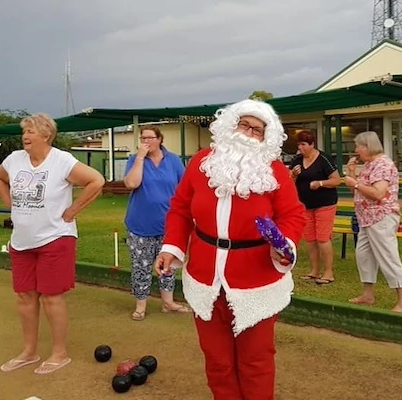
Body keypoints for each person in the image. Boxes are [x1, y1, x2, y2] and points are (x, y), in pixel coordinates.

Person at [153, 99, 306, 400]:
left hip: (256, 280)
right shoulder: (201, 163)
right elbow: (181, 209)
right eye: (243, 124)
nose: (248, 133)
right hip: (204, 275)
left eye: (258, 130)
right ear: (229, 126)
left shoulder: (274, 171)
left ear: (267, 138)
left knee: (256, 361)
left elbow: (293, 215)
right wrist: (172, 246)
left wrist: (284, 244)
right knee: (218, 361)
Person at [0, 113, 105, 374]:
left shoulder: (62, 160)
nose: (25, 136)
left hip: (56, 238)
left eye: (30, 131)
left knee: (51, 297)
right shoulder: (14, 160)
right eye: (24, 132)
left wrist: (73, 210)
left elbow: (96, 180)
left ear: (46, 135)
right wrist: (10, 204)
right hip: (21, 241)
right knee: (24, 296)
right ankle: (29, 352)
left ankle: (59, 353)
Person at [123, 125, 190, 321]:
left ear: (160, 139)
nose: (146, 141)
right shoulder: (134, 160)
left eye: (150, 138)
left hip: (169, 225)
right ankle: (140, 305)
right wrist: (140, 159)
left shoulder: (173, 160)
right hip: (140, 224)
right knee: (141, 266)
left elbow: (185, 187)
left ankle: (168, 303)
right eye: (143, 138)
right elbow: (132, 184)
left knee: (167, 266)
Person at [343, 131, 402, 313]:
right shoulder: (369, 165)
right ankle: (368, 294)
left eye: (358, 146)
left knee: (388, 256)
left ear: (367, 146)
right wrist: (352, 174)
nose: (356, 150)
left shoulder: (383, 164)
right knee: (363, 255)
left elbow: (378, 193)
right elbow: (359, 193)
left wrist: (355, 183)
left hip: (381, 216)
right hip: (366, 218)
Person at [289, 131, 342, 285]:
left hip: (325, 203)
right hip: (305, 205)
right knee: (310, 239)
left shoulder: (324, 159)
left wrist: (320, 183)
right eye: (299, 145)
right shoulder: (297, 160)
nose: (301, 148)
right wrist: (293, 175)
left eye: (303, 145)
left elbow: (336, 180)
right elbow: (289, 182)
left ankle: (328, 272)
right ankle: (314, 271)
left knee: (323, 238)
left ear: (312, 144)